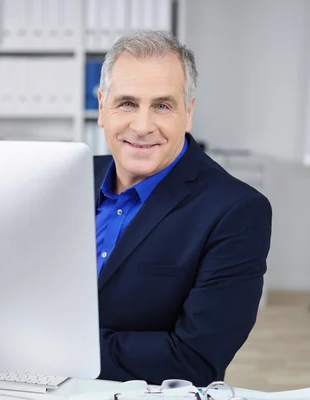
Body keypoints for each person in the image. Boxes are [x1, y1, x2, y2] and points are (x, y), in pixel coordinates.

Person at [92, 30, 272, 386]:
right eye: (127, 103)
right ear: (102, 107)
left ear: (187, 113)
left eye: (162, 105)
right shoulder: (69, 179)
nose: (142, 126)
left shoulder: (237, 212)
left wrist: (55, 351)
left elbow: (194, 359)